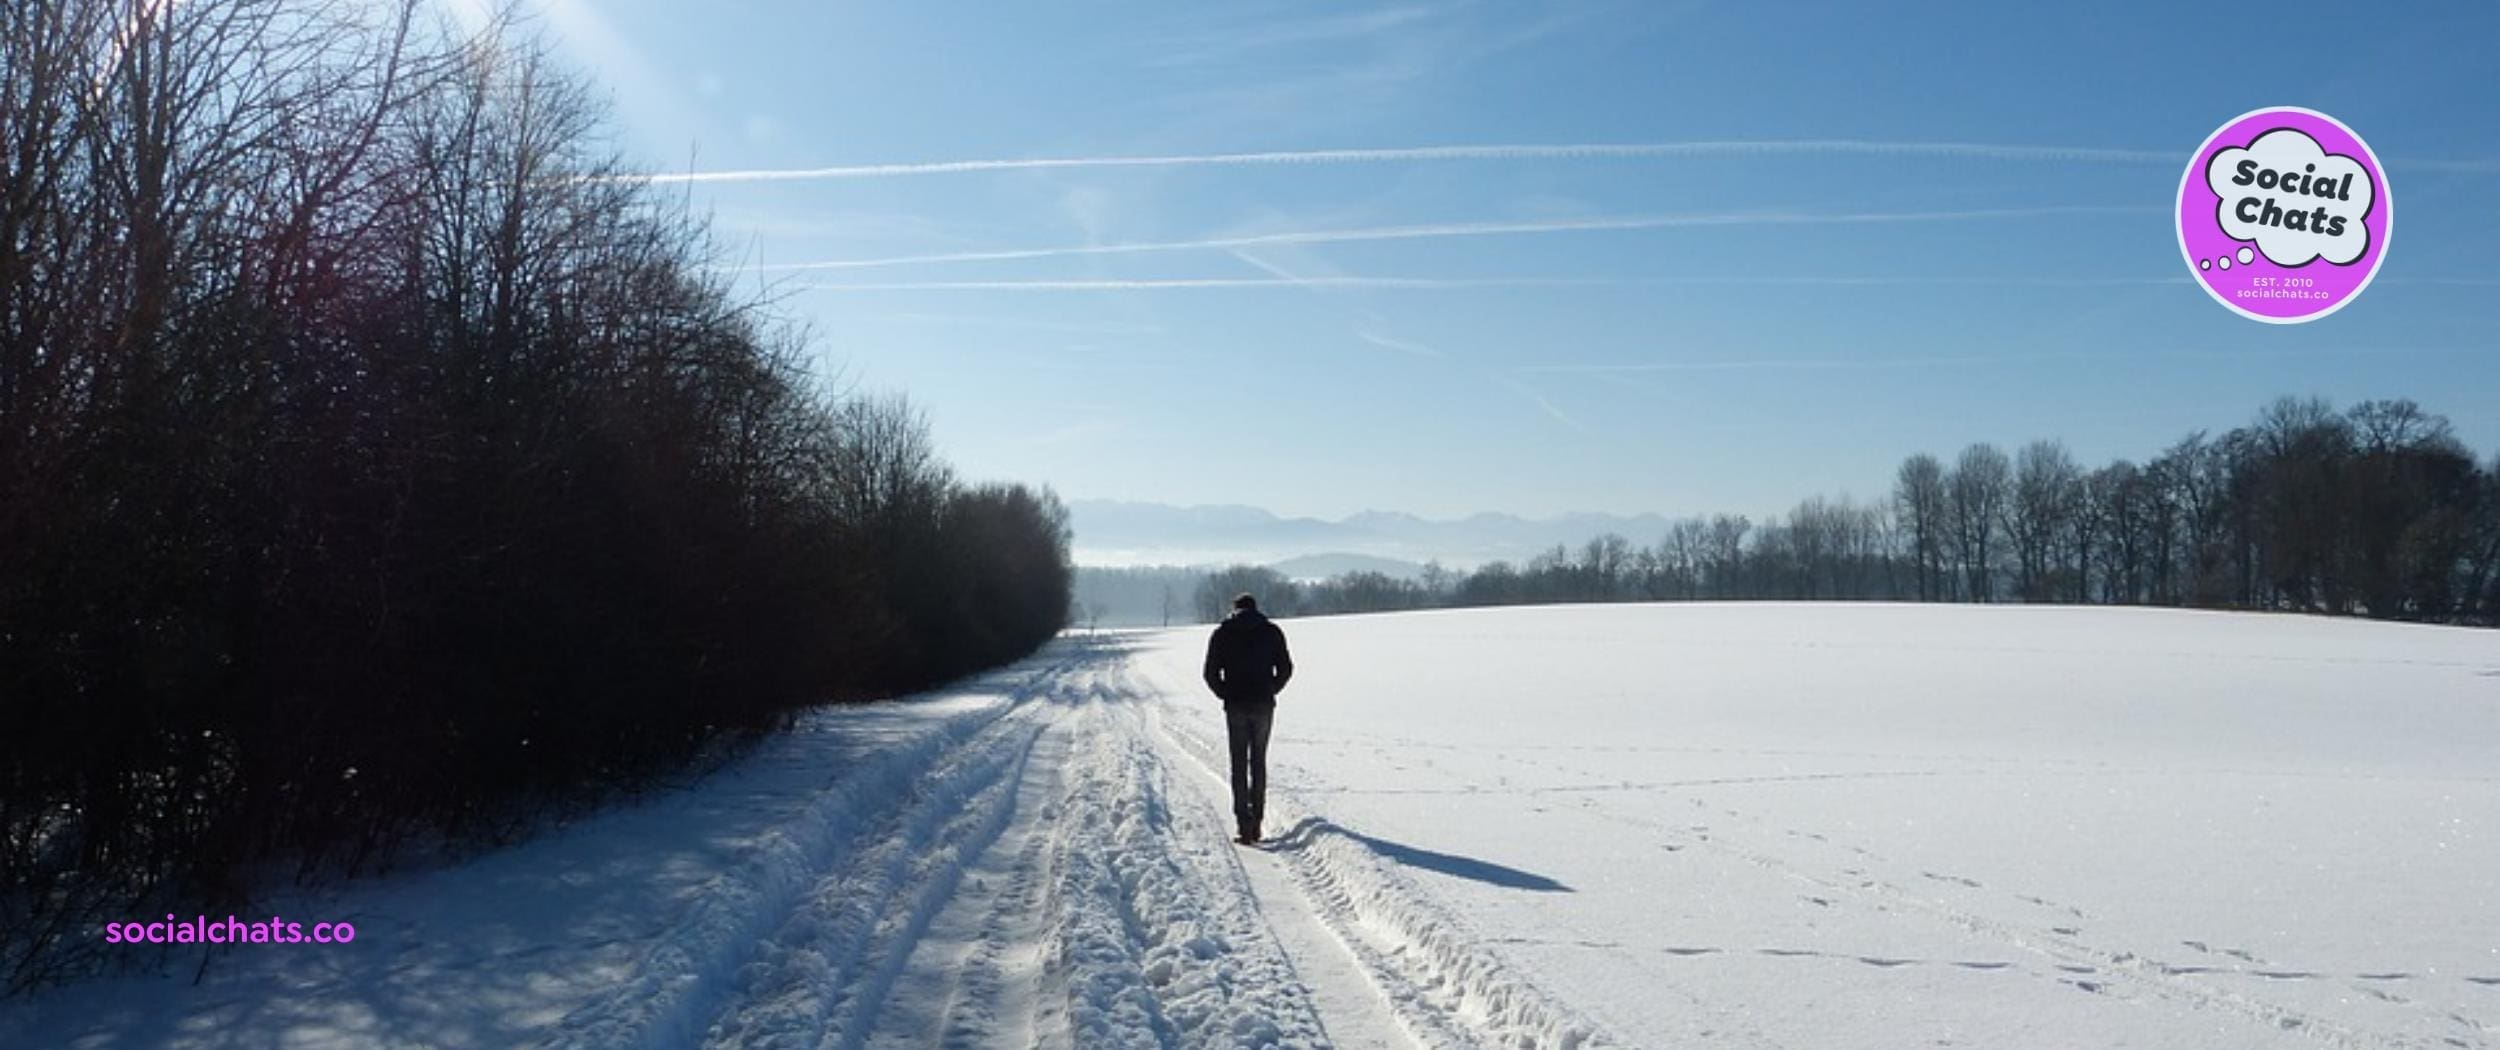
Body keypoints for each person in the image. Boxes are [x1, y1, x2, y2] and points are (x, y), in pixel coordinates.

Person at [1203, 592, 1293, 845]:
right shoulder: (1271, 631)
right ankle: (1257, 824)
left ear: (1234, 609)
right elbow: (1286, 669)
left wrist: (1225, 693)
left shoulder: (1222, 633)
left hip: (1236, 705)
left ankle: (1244, 825)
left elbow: (1210, 672)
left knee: (1239, 764)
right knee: (1259, 762)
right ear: (1255, 608)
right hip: (1263, 704)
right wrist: (1271, 689)